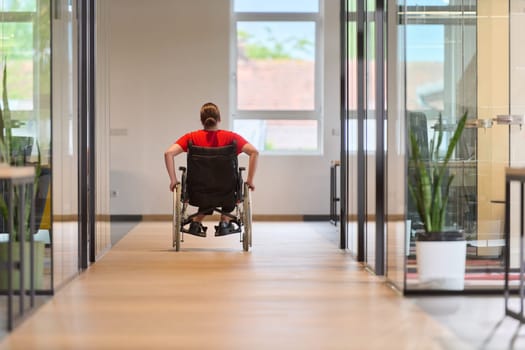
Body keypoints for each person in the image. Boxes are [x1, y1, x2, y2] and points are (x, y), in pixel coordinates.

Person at [164, 102, 259, 237]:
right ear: (219, 119)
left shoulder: (191, 138)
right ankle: (224, 222)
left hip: (198, 192)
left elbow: (168, 153)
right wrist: (250, 180)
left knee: (207, 189)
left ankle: (196, 222)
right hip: (227, 192)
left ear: (202, 121)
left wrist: (173, 180)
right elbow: (254, 152)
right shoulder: (231, 138)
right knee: (224, 188)